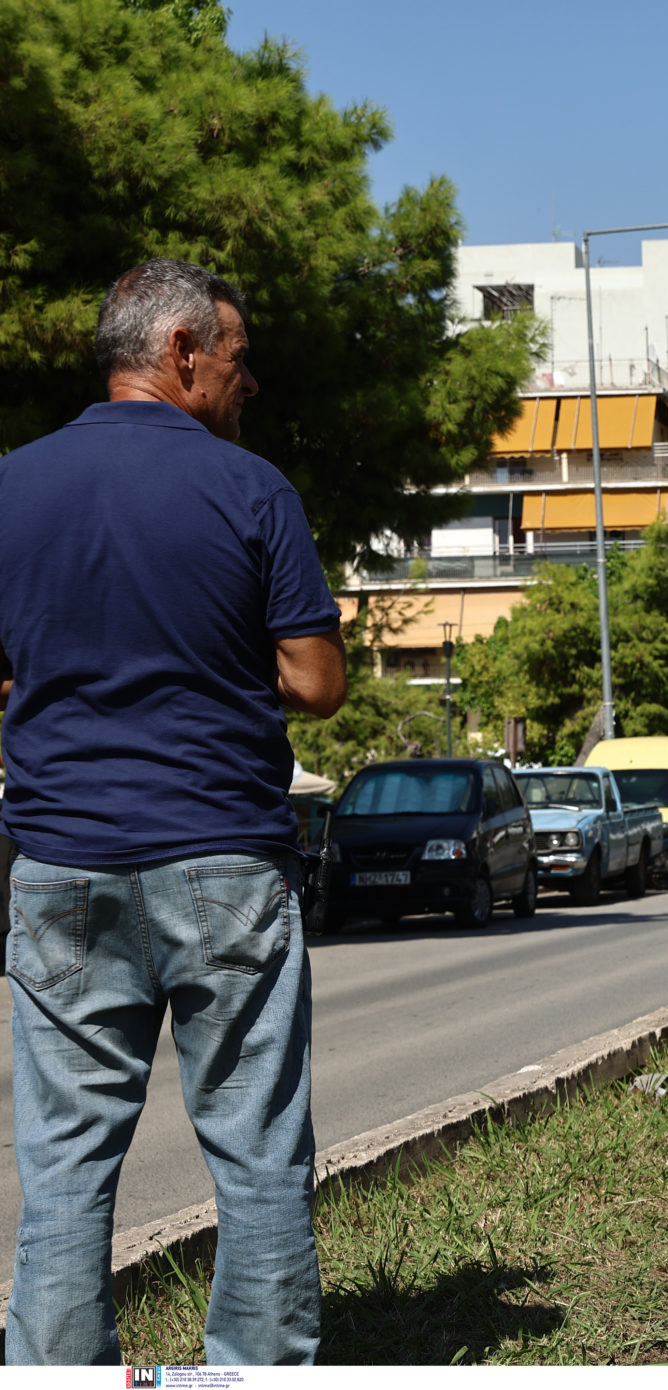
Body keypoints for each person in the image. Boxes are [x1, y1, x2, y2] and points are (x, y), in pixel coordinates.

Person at [0, 259, 347, 1363]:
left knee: (62, 1164)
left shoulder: (11, 485)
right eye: (237, 362)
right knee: (256, 1153)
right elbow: (317, 681)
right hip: (223, 862)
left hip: (58, 862)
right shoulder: (253, 493)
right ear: (183, 353)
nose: (247, 387)